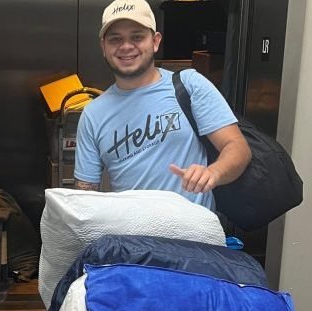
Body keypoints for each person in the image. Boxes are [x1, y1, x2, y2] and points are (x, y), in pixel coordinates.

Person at [74, 0, 252, 211]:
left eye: (137, 37)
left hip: (193, 237)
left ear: (155, 41)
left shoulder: (189, 85)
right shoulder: (93, 114)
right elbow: (85, 194)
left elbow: (238, 148)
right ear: (104, 47)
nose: (126, 46)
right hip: (132, 239)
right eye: (115, 39)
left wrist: (213, 173)